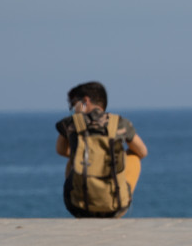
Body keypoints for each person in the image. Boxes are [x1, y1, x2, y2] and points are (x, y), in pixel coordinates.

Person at [55, 81, 148, 218]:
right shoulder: (120, 123)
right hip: (114, 207)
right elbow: (142, 151)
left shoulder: (71, 123)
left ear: (85, 100)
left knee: (74, 160)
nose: (73, 108)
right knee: (134, 158)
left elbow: (61, 150)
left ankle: (80, 196)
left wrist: (87, 156)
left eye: (74, 103)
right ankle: (121, 198)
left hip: (78, 207)